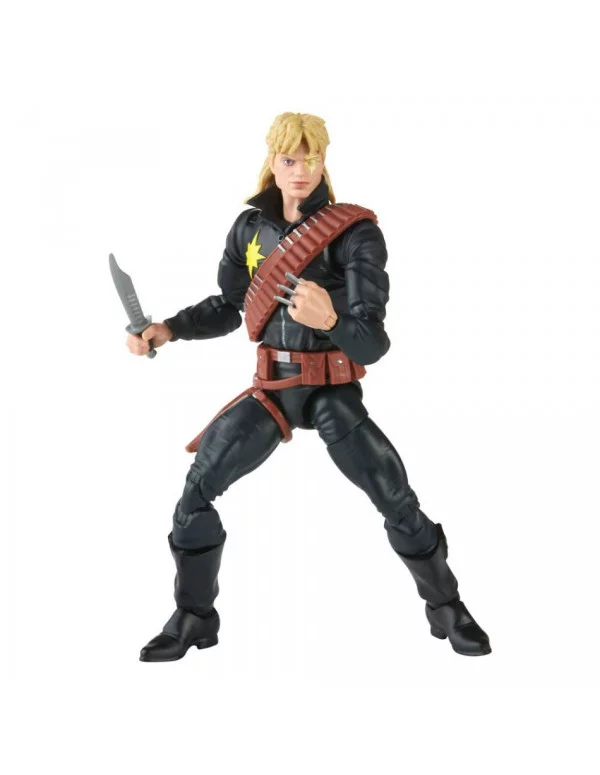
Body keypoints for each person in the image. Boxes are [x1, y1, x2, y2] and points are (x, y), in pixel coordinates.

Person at [126, 112, 491, 661]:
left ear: (325, 161)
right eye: (290, 159)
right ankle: (195, 615)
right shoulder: (249, 229)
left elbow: (372, 344)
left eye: (312, 158)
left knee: (394, 496)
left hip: (330, 391)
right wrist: (169, 330)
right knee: (194, 496)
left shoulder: (354, 233)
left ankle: (446, 606)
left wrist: (331, 322)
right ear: (272, 162)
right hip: (272, 388)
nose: (301, 170)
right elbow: (229, 306)